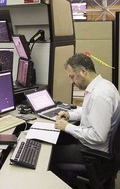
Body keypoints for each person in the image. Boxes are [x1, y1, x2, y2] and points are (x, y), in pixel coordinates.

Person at [50, 53, 120, 187]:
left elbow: (98, 136)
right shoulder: (103, 85)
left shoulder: (99, 95)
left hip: (94, 152)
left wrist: (67, 127)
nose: (72, 82)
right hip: (97, 148)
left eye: (72, 77)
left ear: (83, 71)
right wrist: (70, 115)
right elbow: (90, 111)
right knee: (59, 142)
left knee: (49, 157)